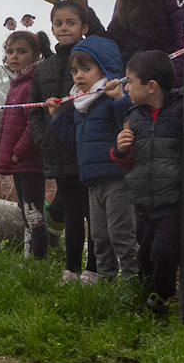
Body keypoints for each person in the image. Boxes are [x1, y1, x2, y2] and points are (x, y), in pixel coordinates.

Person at [112, 50, 184, 311]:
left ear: (151, 86)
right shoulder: (133, 117)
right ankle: (145, 291)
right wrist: (120, 149)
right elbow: (127, 161)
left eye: (130, 81)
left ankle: (162, 295)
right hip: (143, 201)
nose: (126, 87)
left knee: (163, 251)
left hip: (174, 200)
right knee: (145, 253)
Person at [45, 35, 136, 283]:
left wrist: (119, 99)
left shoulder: (112, 98)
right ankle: (106, 280)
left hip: (117, 179)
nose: (79, 76)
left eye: (86, 69)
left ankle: (132, 280)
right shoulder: (80, 104)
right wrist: (57, 117)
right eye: (75, 71)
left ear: (105, 68)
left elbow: (129, 124)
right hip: (91, 180)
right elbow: (74, 140)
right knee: (98, 234)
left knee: (120, 233)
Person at [28, 0, 99, 283]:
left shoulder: (93, 61)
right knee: (71, 211)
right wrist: (43, 138)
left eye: (71, 22)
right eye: (59, 23)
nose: (64, 28)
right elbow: (33, 110)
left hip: (88, 148)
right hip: (58, 147)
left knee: (93, 213)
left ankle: (93, 268)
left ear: (84, 27)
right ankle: (71, 268)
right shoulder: (44, 70)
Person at [0, 30, 47, 259]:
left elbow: (32, 124)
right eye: (10, 51)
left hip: (29, 161)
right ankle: (29, 255)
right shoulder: (16, 84)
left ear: (36, 55)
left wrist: (17, 152)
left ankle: (38, 257)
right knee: (25, 210)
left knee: (34, 212)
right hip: (19, 163)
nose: (14, 56)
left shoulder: (32, 84)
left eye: (22, 52)